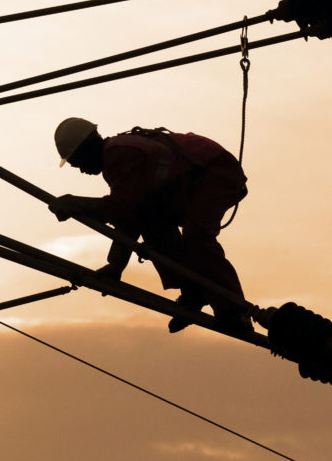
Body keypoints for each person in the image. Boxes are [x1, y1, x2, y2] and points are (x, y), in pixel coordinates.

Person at [48, 117, 251, 333]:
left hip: (215, 173)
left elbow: (120, 209)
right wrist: (116, 265)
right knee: (153, 223)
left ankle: (235, 311)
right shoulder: (116, 157)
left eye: (77, 162)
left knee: (197, 237)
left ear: (86, 149)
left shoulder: (119, 154)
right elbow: (133, 214)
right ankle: (193, 290)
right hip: (191, 183)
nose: (81, 170)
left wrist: (76, 204)